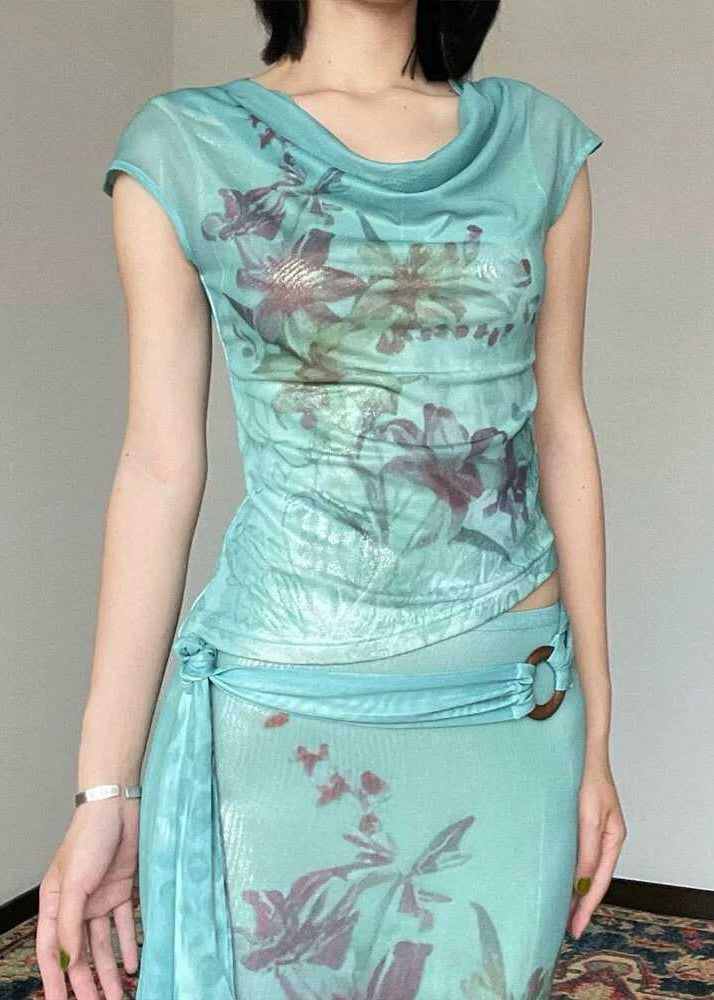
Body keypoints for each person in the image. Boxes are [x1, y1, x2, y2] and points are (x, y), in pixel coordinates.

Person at [36, 1, 627, 997]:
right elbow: (158, 468)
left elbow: (562, 429)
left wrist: (599, 740)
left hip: (509, 713)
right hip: (279, 719)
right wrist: (105, 785)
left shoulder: (538, 145)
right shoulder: (186, 146)